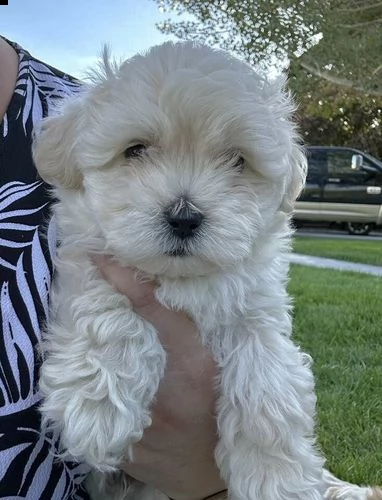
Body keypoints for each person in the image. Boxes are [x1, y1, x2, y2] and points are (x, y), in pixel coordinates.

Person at [0, 36, 227, 500]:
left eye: (231, 161)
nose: (183, 203)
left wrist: (208, 479)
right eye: (139, 151)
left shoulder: (78, 106)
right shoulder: (91, 120)